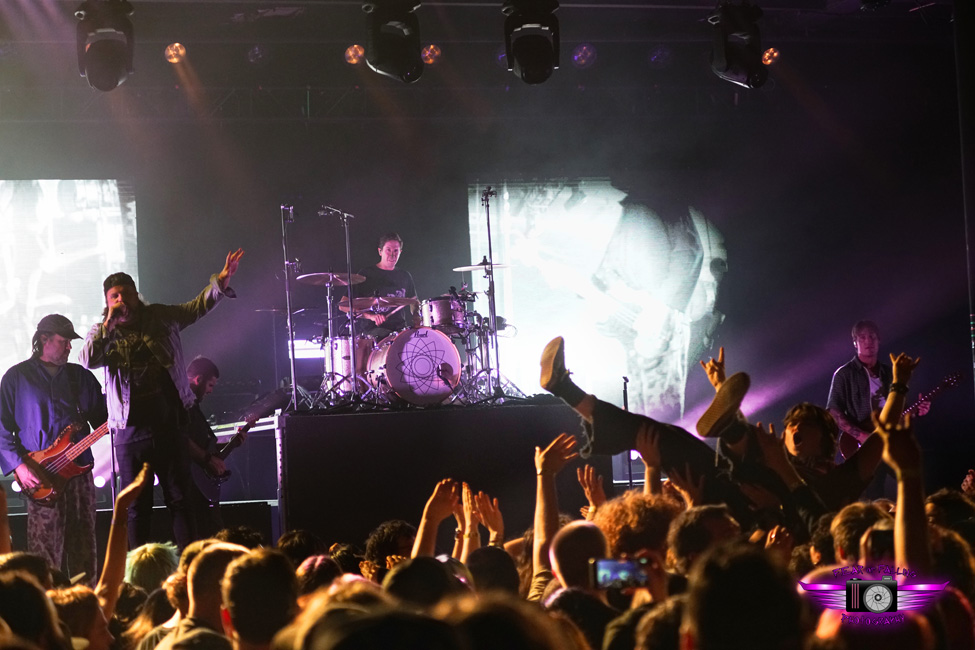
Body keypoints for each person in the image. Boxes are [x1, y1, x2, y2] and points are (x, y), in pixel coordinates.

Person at [79, 249, 244, 549]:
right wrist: (108, 327)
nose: (121, 301)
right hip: (129, 434)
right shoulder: (102, 331)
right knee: (136, 507)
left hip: (169, 427)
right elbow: (88, 359)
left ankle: (188, 568)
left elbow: (195, 308)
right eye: (114, 296)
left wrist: (219, 282)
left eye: (126, 294)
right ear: (107, 302)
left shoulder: (160, 317)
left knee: (180, 501)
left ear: (136, 296)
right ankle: (136, 577)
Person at [0, 314, 107, 585]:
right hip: (40, 476)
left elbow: (106, 419)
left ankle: (86, 612)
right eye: (63, 341)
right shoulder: (16, 377)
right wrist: (19, 467)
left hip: (80, 473)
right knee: (44, 553)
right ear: (44, 340)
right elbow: (1, 428)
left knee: (85, 548)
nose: (69, 347)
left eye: (70, 342)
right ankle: (48, 612)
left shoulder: (80, 377)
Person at [340, 233, 418, 340]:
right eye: (388, 250)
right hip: (374, 332)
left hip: (399, 330)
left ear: (400, 252)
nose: (392, 255)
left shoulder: (405, 276)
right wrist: (371, 316)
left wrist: (417, 318)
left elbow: (413, 301)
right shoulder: (366, 274)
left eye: (396, 251)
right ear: (380, 251)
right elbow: (343, 305)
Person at [183, 356, 226, 538]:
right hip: (190, 483)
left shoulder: (193, 406)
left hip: (199, 482)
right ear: (198, 379)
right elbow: (181, 438)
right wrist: (207, 459)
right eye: (210, 385)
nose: (210, 391)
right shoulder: (182, 404)